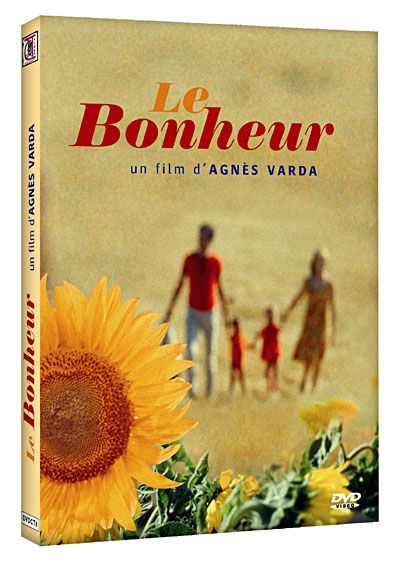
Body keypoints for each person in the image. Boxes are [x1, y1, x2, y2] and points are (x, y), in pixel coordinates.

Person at [165, 224, 229, 397]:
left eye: (204, 238)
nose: (201, 241)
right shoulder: (189, 260)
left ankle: (209, 393)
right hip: (193, 312)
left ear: (210, 241)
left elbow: (220, 288)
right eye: (199, 237)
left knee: (210, 355)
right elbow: (180, 284)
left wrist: (226, 314)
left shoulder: (215, 262)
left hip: (211, 312)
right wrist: (170, 309)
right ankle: (191, 390)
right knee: (191, 351)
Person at [282, 250, 336, 392]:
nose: (321, 264)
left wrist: (334, 328)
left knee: (319, 354)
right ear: (314, 263)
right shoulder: (309, 282)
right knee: (309, 353)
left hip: (323, 322)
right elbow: (298, 298)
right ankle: (304, 379)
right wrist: (287, 312)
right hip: (310, 321)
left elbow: (332, 306)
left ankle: (314, 385)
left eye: (323, 261)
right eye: (319, 261)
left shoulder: (329, 284)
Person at [252, 307, 281, 393]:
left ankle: (273, 386)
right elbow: (259, 334)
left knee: (273, 370)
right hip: (271, 352)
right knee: (270, 370)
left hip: (272, 352)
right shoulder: (268, 327)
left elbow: (259, 334)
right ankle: (271, 386)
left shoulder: (272, 327)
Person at [229, 318, 249, 395]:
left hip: (240, 360)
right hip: (234, 359)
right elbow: (227, 329)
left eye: (238, 326)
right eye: (235, 326)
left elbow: (246, 345)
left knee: (242, 376)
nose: (237, 328)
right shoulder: (233, 336)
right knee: (233, 376)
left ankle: (244, 390)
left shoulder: (241, 336)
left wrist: (251, 346)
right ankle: (231, 390)